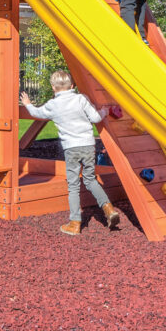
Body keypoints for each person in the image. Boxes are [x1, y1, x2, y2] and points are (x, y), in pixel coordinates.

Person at [20, 70, 120, 235]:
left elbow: (37, 113)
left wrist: (28, 103)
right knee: (90, 180)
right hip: (88, 145)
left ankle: (74, 223)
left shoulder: (53, 105)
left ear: (53, 87)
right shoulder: (81, 99)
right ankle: (108, 209)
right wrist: (105, 111)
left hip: (71, 148)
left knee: (73, 185)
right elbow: (95, 118)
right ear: (72, 86)